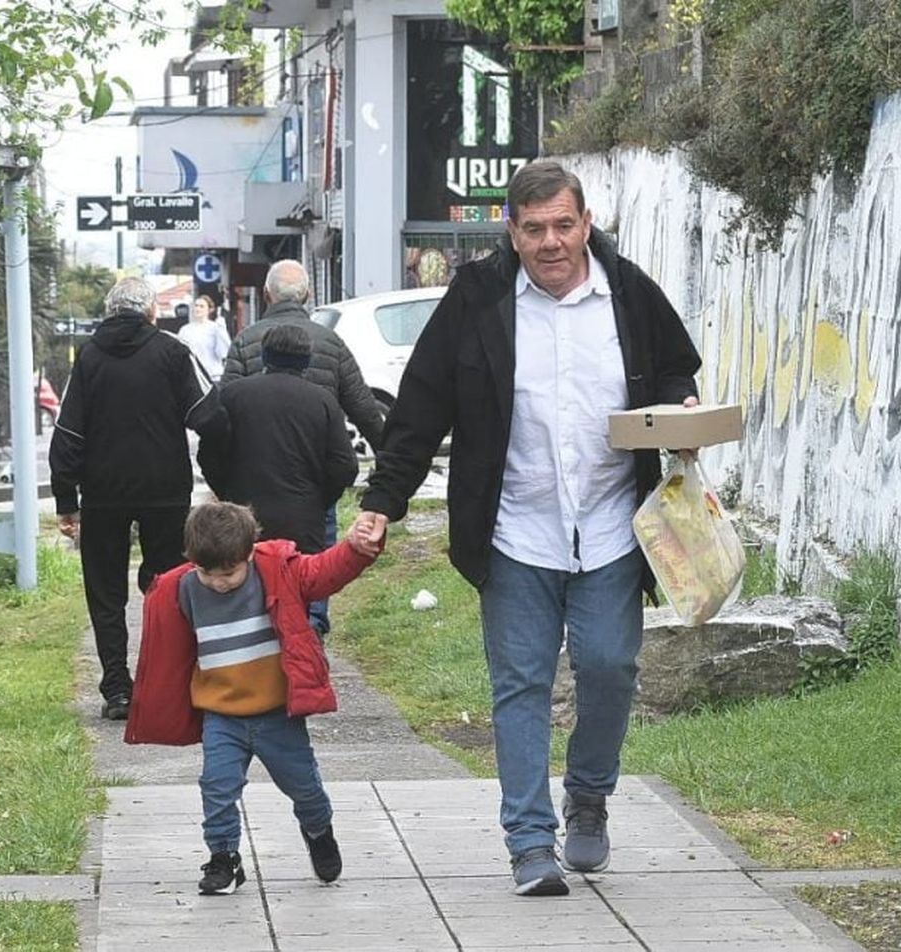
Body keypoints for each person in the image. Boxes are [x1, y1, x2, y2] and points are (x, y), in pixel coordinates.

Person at [354, 160, 701, 897]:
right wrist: (383, 499)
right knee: (521, 685)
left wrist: (682, 414)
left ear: (586, 223)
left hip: (610, 525)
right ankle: (528, 842)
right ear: (510, 230)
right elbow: (419, 411)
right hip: (514, 529)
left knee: (610, 667)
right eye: (534, 228)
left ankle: (589, 794)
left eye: (563, 225)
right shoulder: (477, 300)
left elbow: (676, 371)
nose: (550, 242)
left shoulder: (628, 293)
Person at [123, 501, 384, 895]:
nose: (218, 582)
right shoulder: (183, 589)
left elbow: (325, 572)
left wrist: (355, 548)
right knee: (216, 785)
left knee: (304, 788)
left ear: (247, 553)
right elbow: (168, 651)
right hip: (221, 715)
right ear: (191, 560)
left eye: (228, 573)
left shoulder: (278, 572)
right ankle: (223, 858)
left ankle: (318, 830)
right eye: (206, 573)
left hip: (278, 714)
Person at [49, 276, 224, 721]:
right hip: (164, 489)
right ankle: (162, 683)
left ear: (110, 312)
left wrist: (66, 500)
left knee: (105, 590)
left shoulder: (89, 356)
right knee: (165, 584)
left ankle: (117, 690)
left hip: (103, 492)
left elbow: (68, 432)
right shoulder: (171, 351)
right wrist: (220, 468)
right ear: (151, 313)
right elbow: (208, 413)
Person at [221, 259, 385, 636]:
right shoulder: (330, 342)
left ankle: (259, 639)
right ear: (308, 295)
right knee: (312, 566)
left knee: (254, 561)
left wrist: (228, 482)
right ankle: (310, 630)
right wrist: (391, 467)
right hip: (313, 484)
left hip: (251, 486)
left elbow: (221, 418)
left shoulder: (246, 341)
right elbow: (363, 408)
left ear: (266, 295)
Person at [197, 324, 358, 583]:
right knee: (298, 590)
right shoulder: (322, 400)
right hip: (303, 518)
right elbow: (345, 465)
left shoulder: (232, 395)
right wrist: (318, 499)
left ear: (265, 356)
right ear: (306, 360)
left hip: (243, 517)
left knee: (246, 591)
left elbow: (209, 453)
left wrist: (228, 492)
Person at [176, 294, 230, 380]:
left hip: (213, 375)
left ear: (210, 309)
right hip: (193, 376)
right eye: (196, 306)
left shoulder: (216, 328)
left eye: (202, 306)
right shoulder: (185, 330)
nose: (198, 309)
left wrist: (221, 330)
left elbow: (223, 353)